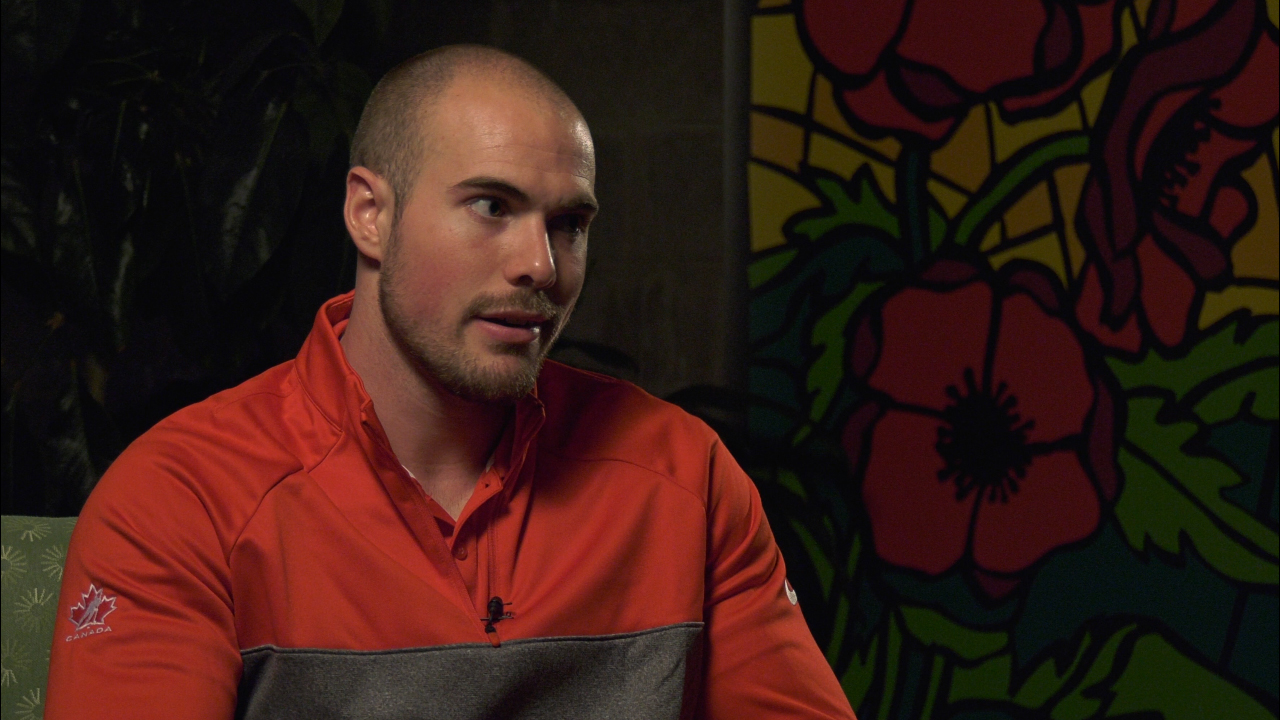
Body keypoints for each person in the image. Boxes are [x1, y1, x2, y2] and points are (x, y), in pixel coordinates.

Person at [46, 45, 857, 719]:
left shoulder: (685, 474)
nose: (540, 265)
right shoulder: (182, 497)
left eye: (569, 224)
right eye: (491, 206)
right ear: (370, 214)